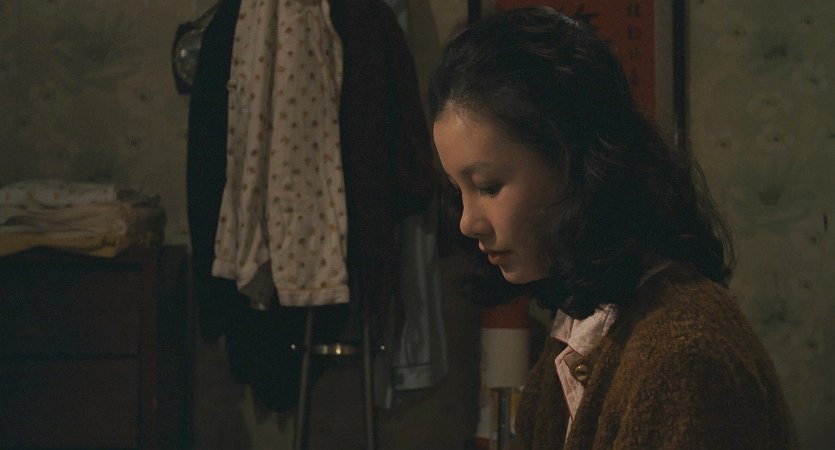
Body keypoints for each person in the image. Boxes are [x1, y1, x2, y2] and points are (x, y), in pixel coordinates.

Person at [428, 6, 797, 450]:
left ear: (575, 164)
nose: (467, 222)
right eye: (459, 191)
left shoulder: (681, 355)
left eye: (488, 186)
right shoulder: (585, 322)